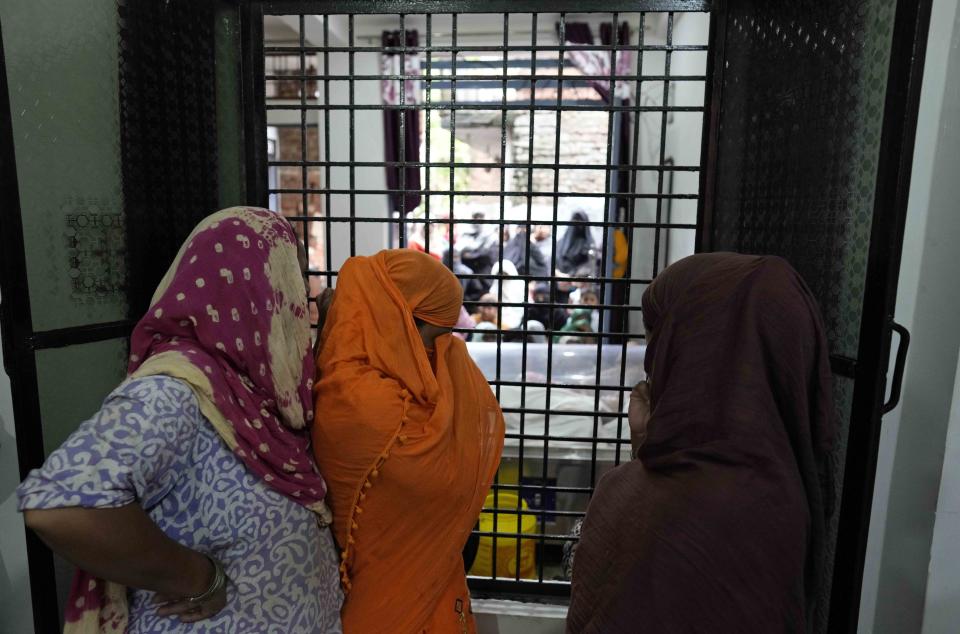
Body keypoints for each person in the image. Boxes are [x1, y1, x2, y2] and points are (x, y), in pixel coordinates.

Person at [18, 208, 343, 633]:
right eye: (292, 277)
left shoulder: (257, 388)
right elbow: (62, 504)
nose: (301, 297)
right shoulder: (176, 391)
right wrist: (193, 577)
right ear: (251, 290)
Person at [567, 253, 837, 634]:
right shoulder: (787, 487)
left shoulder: (646, 497)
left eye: (656, 335)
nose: (651, 358)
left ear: (691, 345)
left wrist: (641, 460)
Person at [312, 249, 505, 633]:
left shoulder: (348, 366)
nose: (437, 355)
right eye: (430, 339)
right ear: (396, 318)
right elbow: (437, 476)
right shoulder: (359, 398)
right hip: (389, 602)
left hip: (418, 586)